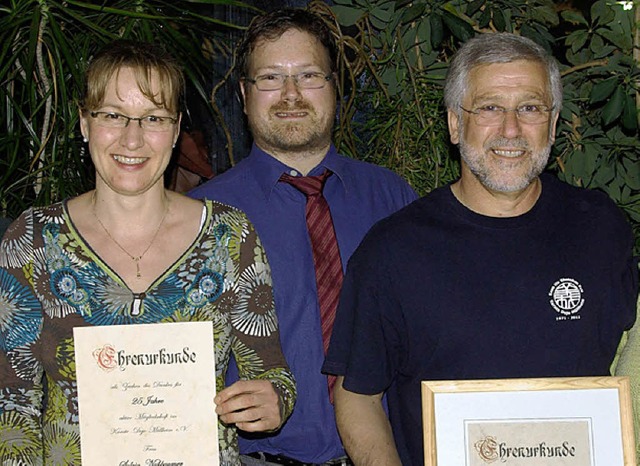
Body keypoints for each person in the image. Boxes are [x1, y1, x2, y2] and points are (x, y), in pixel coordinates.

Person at [323, 32, 639, 465]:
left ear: (553, 120)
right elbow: (357, 398)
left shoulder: (602, 228)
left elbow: (629, 365)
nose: (511, 129)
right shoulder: (393, 251)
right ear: (455, 123)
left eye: (530, 107)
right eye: (490, 107)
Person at [0, 40, 295, 466]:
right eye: (113, 115)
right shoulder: (32, 241)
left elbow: (273, 374)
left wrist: (274, 400)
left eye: (153, 118)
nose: (132, 138)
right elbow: (13, 408)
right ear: (85, 123)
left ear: (176, 130)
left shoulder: (229, 236)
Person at [189, 8, 417, 465]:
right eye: (271, 78)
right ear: (243, 93)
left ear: (335, 86)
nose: (290, 95)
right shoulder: (200, 217)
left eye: (309, 75)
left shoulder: (395, 200)